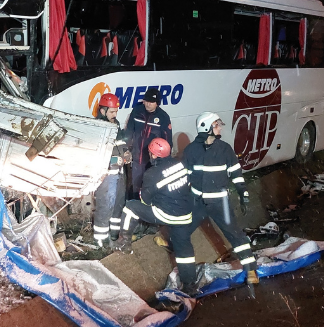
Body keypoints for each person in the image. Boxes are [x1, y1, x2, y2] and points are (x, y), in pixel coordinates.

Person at [113, 138, 198, 294]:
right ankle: (190, 285)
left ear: (153, 154)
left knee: (131, 207)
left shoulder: (152, 174)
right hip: (185, 214)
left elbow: (145, 201)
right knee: (184, 249)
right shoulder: (179, 164)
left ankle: (124, 242)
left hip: (166, 214)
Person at [183, 112, 259, 285]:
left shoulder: (225, 149)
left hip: (220, 203)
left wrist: (243, 194)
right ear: (206, 127)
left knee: (236, 236)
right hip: (198, 203)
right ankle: (187, 278)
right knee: (182, 232)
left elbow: (236, 174)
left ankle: (251, 270)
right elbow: (184, 178)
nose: (220, 127)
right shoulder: (191, 150)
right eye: (217, 125)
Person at [92, 93, 131, 246]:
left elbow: (121, 144)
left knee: (118, 205)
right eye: (112, 112)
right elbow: (95, 154)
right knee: (105, 206)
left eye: (116, 111)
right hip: (107, 175)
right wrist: (114, 160)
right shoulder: (97, 128)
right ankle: (101, 240)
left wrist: (127, 152)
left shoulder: (116, 125)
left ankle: (114, 234)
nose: (115, 115)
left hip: (120, 174)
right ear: (103, 111)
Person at [125, 87, 172, 198]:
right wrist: (126, 149)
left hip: (153, 162)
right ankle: (135, 208)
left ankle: (148, 209)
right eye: (146, 101)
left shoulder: (163, 117)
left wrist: (163, 162)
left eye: (151, 102)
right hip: (137, 159)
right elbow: (129, 132)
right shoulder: (137, 111)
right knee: (136, 186)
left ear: (157, 103)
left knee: (151, 187)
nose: (148, 104)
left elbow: (167, 141)